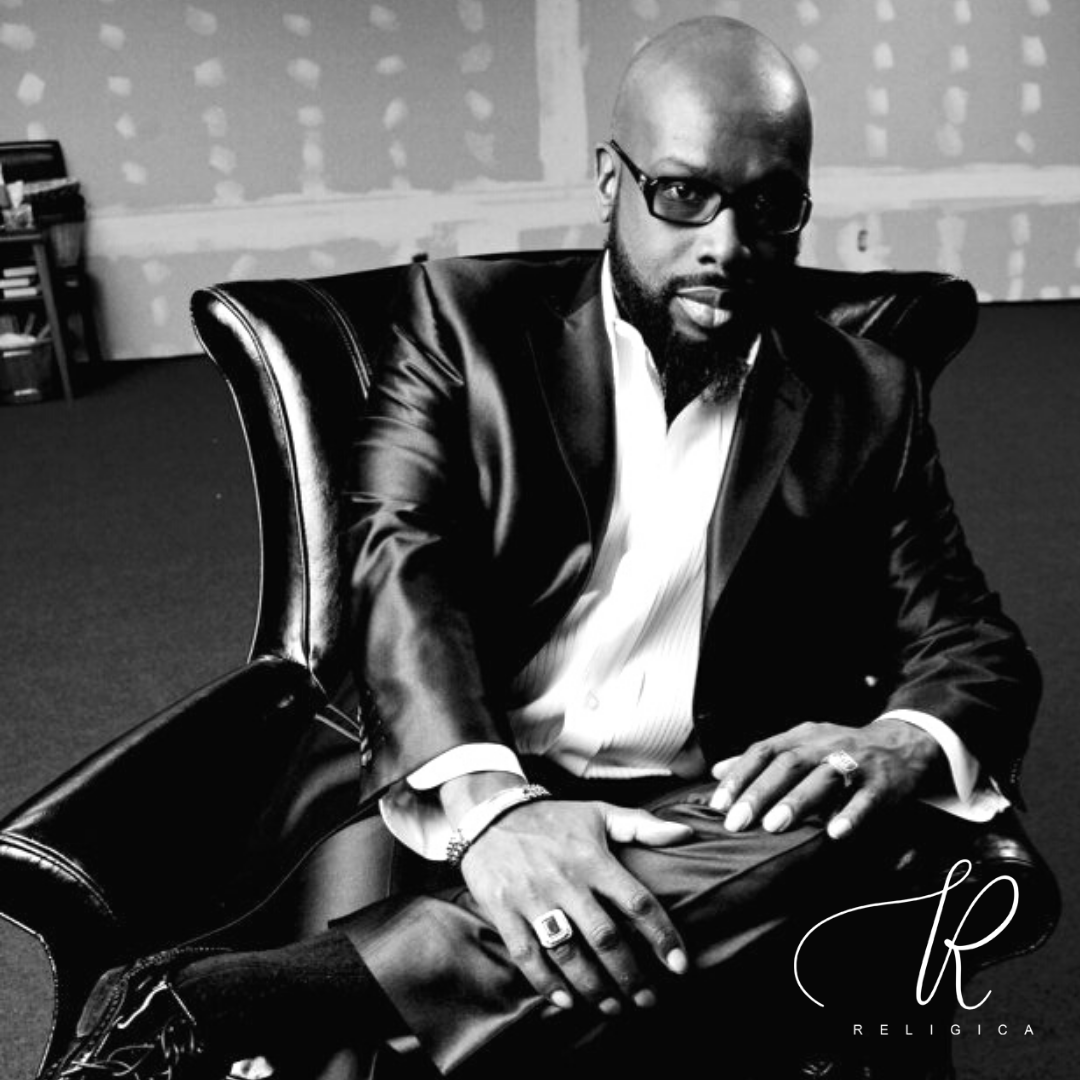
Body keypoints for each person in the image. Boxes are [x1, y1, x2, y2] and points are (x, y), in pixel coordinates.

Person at [51, 15, 1038, 1080]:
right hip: (473, 765)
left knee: (879, 815)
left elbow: (971, 639)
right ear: (610, 178)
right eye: (682, 193)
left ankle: (237, 1000)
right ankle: (418, 968)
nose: (725, 244)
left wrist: (894, 740)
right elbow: (399, 564)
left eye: (769, 206)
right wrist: (499, 817)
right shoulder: (466, 323)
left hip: (694, 814)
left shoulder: (868, 395)